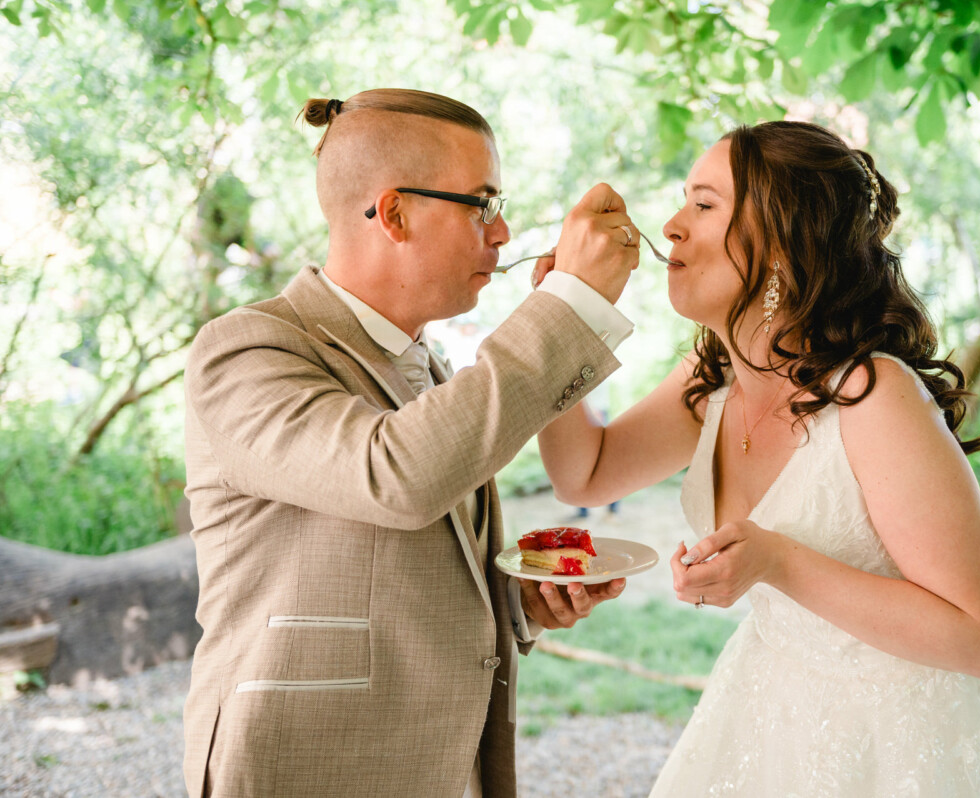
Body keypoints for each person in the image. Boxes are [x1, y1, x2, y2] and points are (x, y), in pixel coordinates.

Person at [534, 120, 980, 796]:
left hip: (898, 748)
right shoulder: (711, 377)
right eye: (684, 201)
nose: (672, 225)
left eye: (704, 205)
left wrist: (775, 562)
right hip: (769, 718)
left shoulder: (874, 395)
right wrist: (556, 320)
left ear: (779, 248)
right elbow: (585, 472)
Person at [182, 88, 640, 798]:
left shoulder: (432, 366)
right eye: (482, 203)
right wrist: (567, 307)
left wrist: (517, 601)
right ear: (394, 213)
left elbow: (411, 550)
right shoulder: (247, 349)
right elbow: (395, 476)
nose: (504, 232)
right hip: (304, 769)